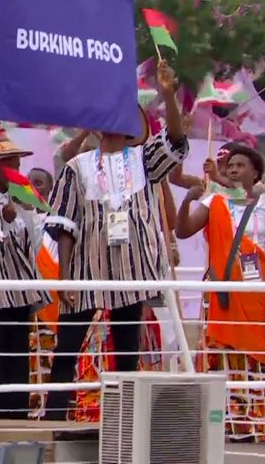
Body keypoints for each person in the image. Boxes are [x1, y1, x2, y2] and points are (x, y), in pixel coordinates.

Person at [43, 60, 187, 421]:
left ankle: (125, 423)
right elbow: (64, 222)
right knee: (67, 349)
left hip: (130, 271)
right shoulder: (79, 165)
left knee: (126, 351)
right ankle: (55, 418)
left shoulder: (144, 160)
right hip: (86, 270)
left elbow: (176, 143)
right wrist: (65, 277)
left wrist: (168, 95)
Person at [174, 144, 265, 442]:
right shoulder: (214, 201)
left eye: (241, 165)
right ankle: (232, 425)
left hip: (258, 292)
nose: (234, 169)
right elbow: (182, 231)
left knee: (261, 356)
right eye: (231, 165)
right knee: (226, 354)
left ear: (256, 172)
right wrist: (187, 201)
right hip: (223, 292)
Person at [0, 131, 51, 419]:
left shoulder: (19, 198)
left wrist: (26, 214)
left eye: (18, 167)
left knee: (18, 350)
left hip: (19, 288)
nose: (17, 173)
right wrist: (2, 220)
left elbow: (34, 245)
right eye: (12, 166)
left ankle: (17, 410)